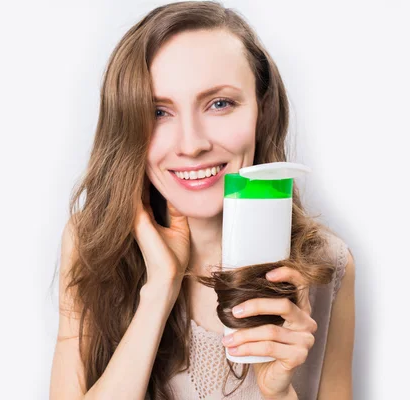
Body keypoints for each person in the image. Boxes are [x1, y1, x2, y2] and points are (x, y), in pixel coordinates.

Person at [49, 2, 355, 399]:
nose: (192, 144)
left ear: (262, 109)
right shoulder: (92, 244)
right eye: (158, 111)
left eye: (220, 104)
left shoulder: (326, 265)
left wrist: (277, 393)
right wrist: (160, 288)